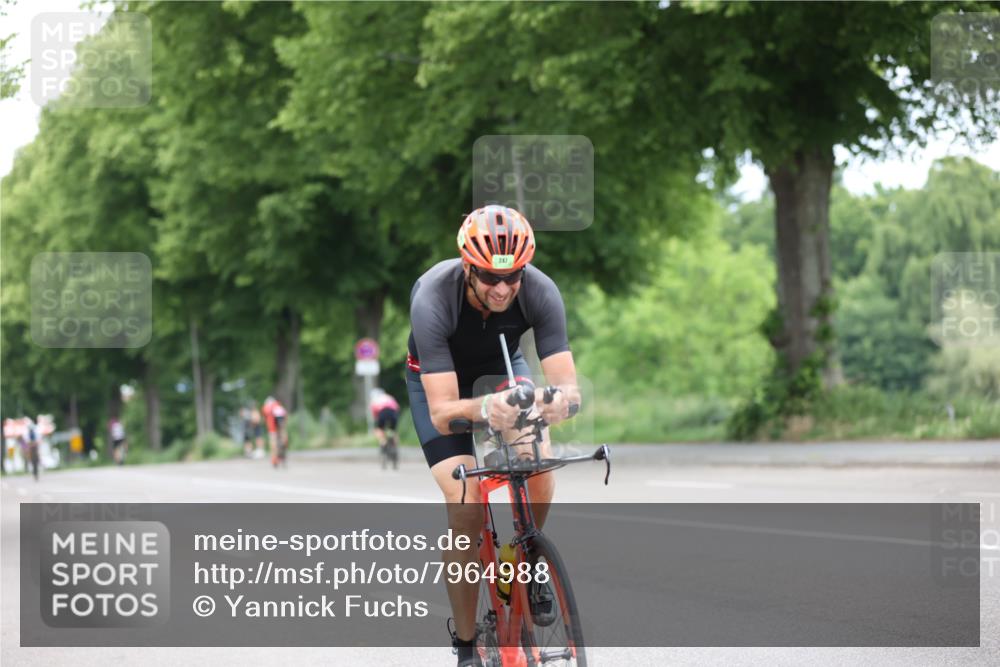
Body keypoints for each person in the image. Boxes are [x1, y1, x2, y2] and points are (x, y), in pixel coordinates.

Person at [406, 205, 580, 667]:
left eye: (513, 276)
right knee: (465, 505)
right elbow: (443, 411)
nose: (502, 288)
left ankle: (523, 555)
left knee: (538, 461)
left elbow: (568, 387)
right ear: (468, 267)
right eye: (488, 277)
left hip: (502, 370)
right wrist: (484, 409)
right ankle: (465, 644)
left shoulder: (540, 291)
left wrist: (557, 402)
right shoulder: (432, 297)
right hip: (438, 388)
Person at [369, 388, 400, 453]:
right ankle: (395, 446)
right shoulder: (389, 397)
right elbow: (397, 407)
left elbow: (375, 415)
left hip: (382, 413)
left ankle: (383, 443)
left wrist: (378, 425)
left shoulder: (374, 400)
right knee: (393, 431)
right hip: (393, 413)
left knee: (379, 429)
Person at [261, 396, 288, 467]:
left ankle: (274, 459)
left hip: (272, 426)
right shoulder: (279, 406)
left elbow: (265, 419)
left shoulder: (266, 407)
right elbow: (284, 417)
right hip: (280, 421)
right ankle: (283, 445)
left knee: (273, 442)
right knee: (282, 436)